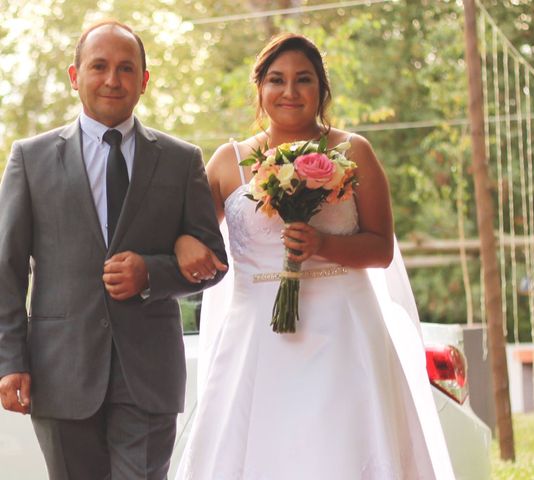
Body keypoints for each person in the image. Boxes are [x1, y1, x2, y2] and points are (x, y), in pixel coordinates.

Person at [174, 33, 455, 479]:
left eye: (303, 80)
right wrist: (182, 241)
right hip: (255, 337)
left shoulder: (354, 151)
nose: (289, 91)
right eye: (276, 80)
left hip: (343, 332)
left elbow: (381, 247)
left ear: (322, 90)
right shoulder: (228, 161)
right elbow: (191, 235)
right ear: (260, 88)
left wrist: (323, 244)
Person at [0, 20, 227, 480]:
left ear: (144, 81)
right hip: (59, 370)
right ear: (74, 75)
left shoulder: (182, 160)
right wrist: (9, 360)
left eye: (126, 69)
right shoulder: (31, 157)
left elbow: (213, 262)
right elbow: (6, 267)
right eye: (99, 66)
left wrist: (153, 273)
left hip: (148, 374)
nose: (112, 79)